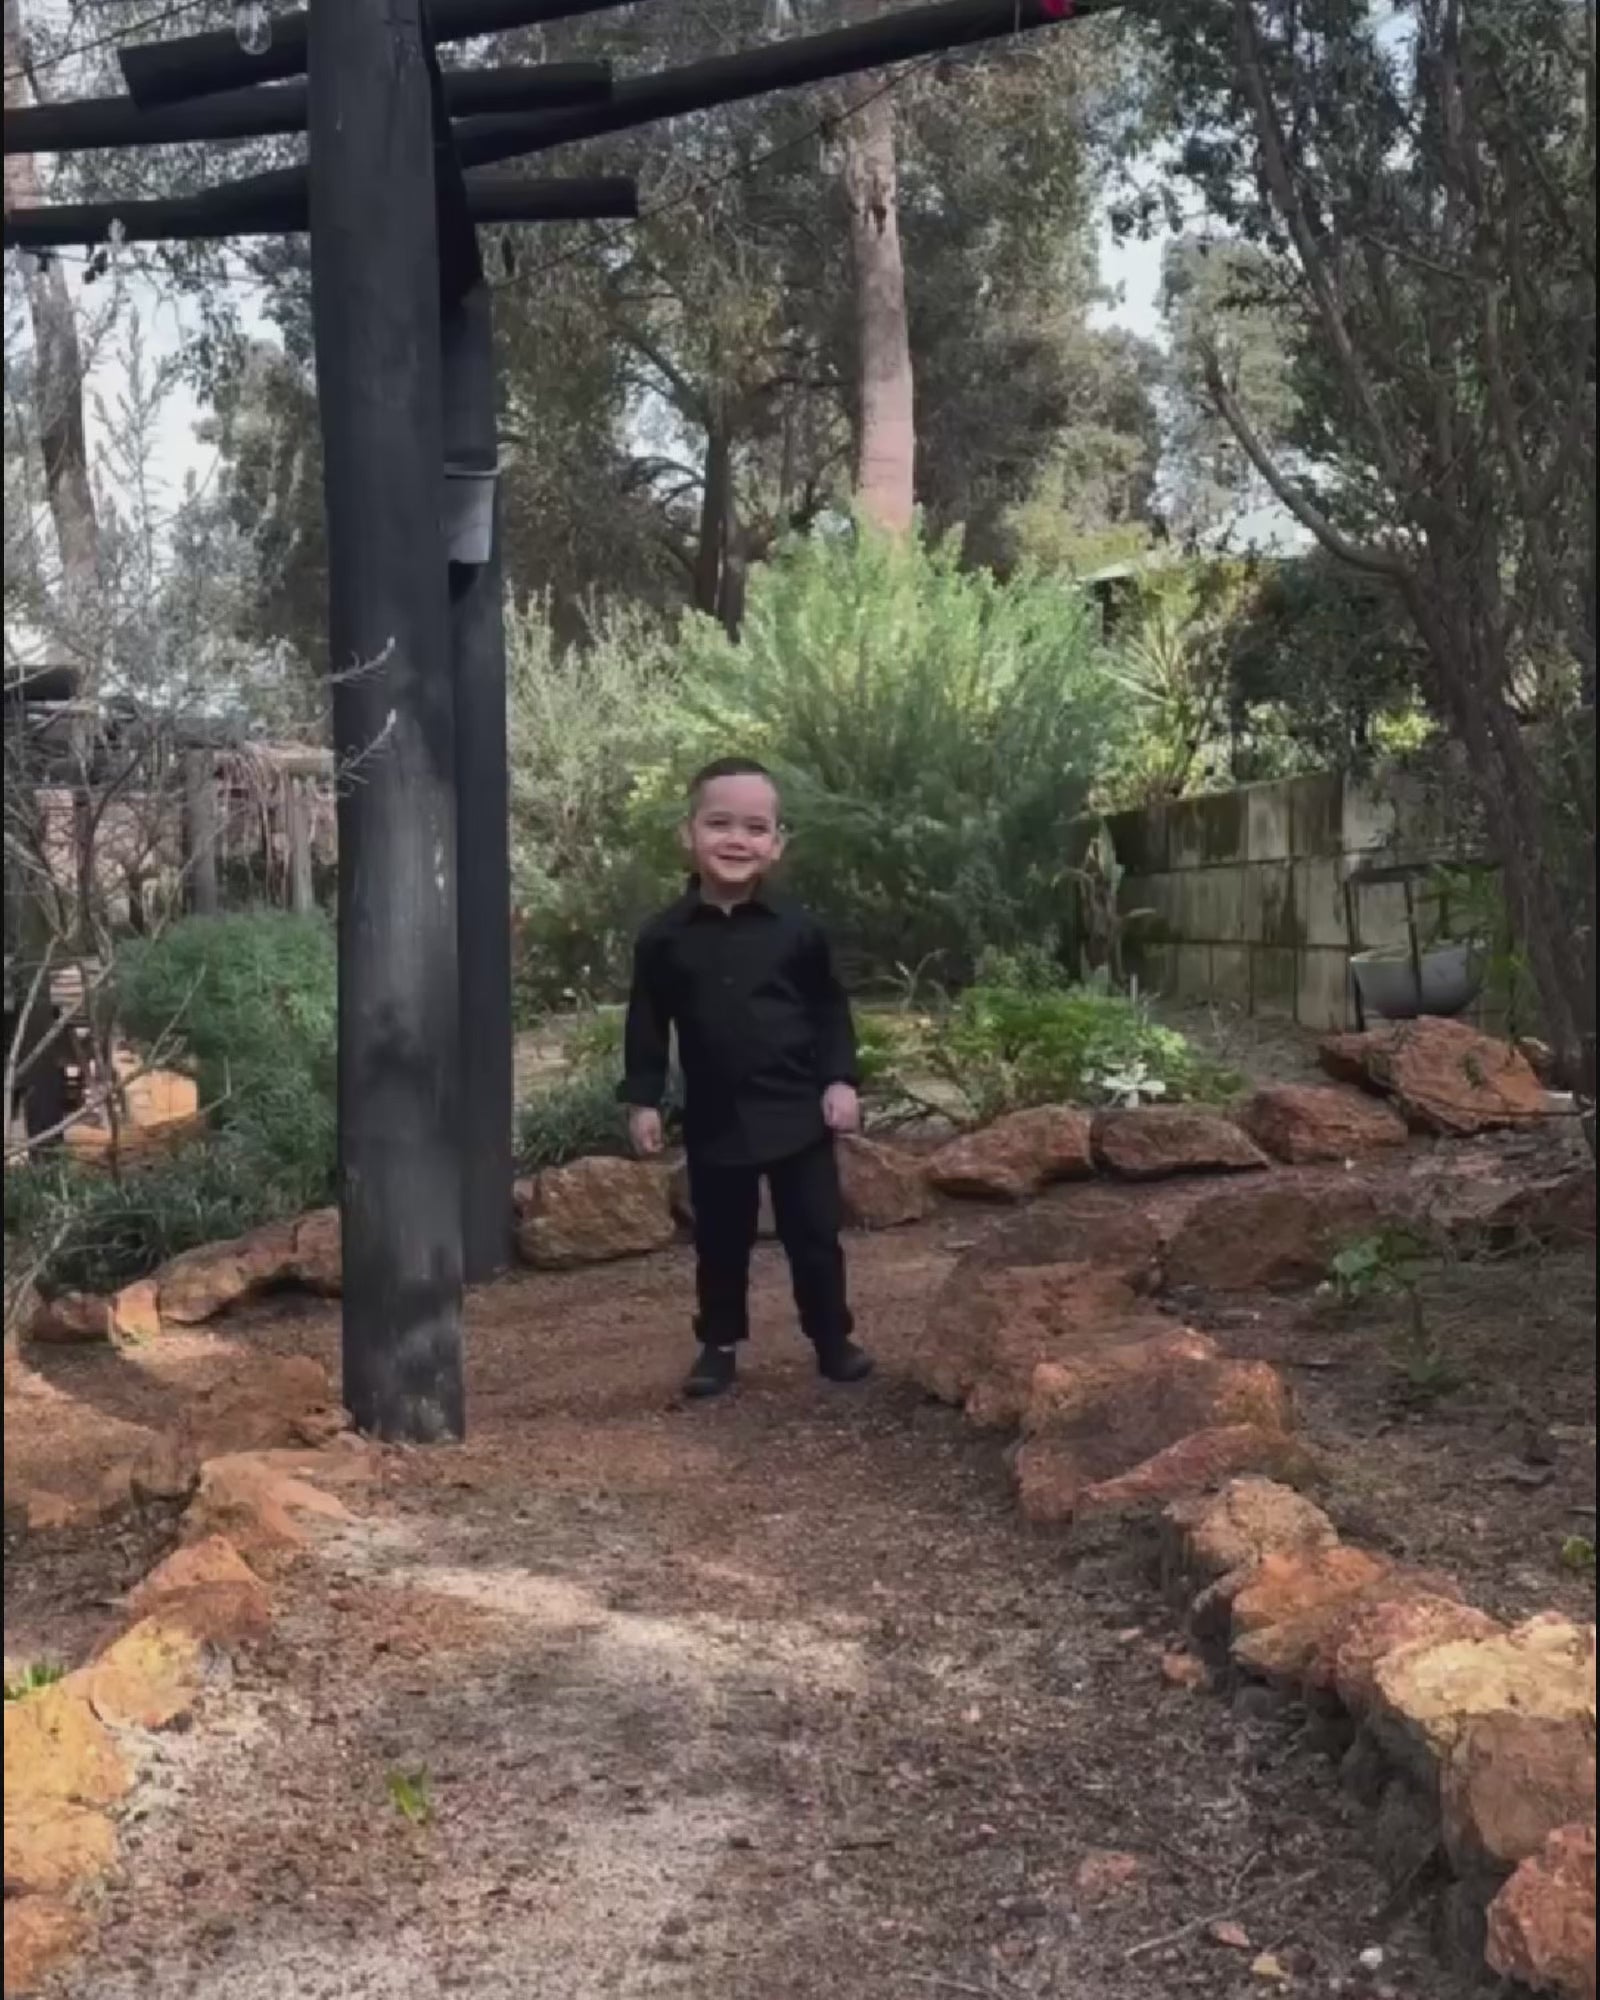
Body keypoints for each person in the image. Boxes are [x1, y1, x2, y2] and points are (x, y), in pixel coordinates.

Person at [620, 757, 874, 1400]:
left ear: (777, 843)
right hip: (716, 1117)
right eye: (720, 823)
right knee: (721, 1242)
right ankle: (719, 1344)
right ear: (689, 834)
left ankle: (831, 1339)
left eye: (756, 828)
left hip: (798, 1114)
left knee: (814, 1236)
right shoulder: (663, 939)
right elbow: (646, 1024)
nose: (738, 840)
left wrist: (840, 1081)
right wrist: (644, 1099)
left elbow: (829, 1010)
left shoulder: (799, 931)